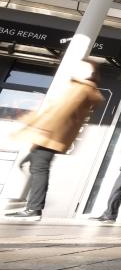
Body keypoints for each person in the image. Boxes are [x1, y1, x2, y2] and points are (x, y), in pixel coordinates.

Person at [9, 58, 103, 220]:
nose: (76, 68)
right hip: (52, 134)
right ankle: (33, 205)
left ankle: (34, 208)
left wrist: (34, 127)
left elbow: (58, 113)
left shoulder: (80, 88)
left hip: (49, 134)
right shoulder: (81, 88)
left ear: (90, 72)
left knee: (39, 169)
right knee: (29, 165)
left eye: (82, 67)